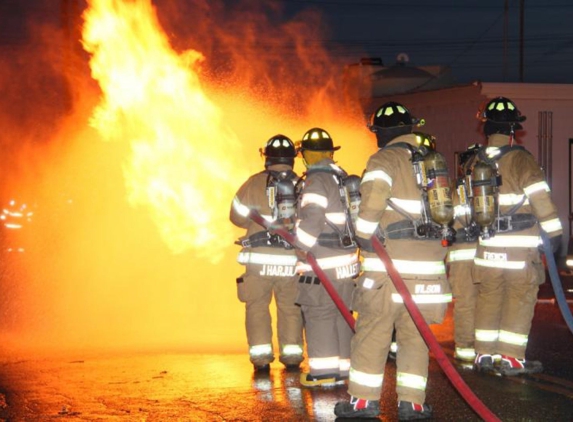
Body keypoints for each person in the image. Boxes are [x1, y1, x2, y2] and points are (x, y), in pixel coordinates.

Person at [334, 103, 452, 420]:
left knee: (373, 334)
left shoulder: (384, 159)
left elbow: (372, 201)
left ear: (379, 134)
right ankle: (412, 404)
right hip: (430, 273)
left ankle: (363, 402)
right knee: (416, 337)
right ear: (411, 128)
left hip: (388, 272)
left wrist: (362, 234)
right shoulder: (434, 162)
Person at [472, 97, 563, 376]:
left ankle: (484, 355)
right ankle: (511, 358)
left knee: (488, 298)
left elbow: (465, 208)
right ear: (513, 129)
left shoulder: (476, 162)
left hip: (487, 248)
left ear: (486, 128)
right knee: (519, 298)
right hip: (520, 250)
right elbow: (540, 198)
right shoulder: (522, 159)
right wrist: (556, 234)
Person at [230, 134, 304, 373]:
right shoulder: (302, 184)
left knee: (257, 308)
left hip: (259, 262)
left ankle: (261, 359)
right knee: (291, 307)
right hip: (291, 261)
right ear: (293, 158)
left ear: (267, 157)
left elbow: (236, 217)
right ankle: (292, 356)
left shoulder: (253, 183)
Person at [293, 127, 359, 387]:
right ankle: (344, 368)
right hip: (345, 265)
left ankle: (322, 373)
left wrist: (299, 246)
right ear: (331, 153)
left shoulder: (317, 180)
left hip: (322, 265)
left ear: (307, 155)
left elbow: (313, 218)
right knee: (342, 315)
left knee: (319, 315)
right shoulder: (340, 177)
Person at [447, 144, 482, 364]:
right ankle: (485, 349)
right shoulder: (487, 188)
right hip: (486, 253)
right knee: (487, 301)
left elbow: (444, 223)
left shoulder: (453, 190)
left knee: (466, 303)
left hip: (460, 255)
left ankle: (466, 349)